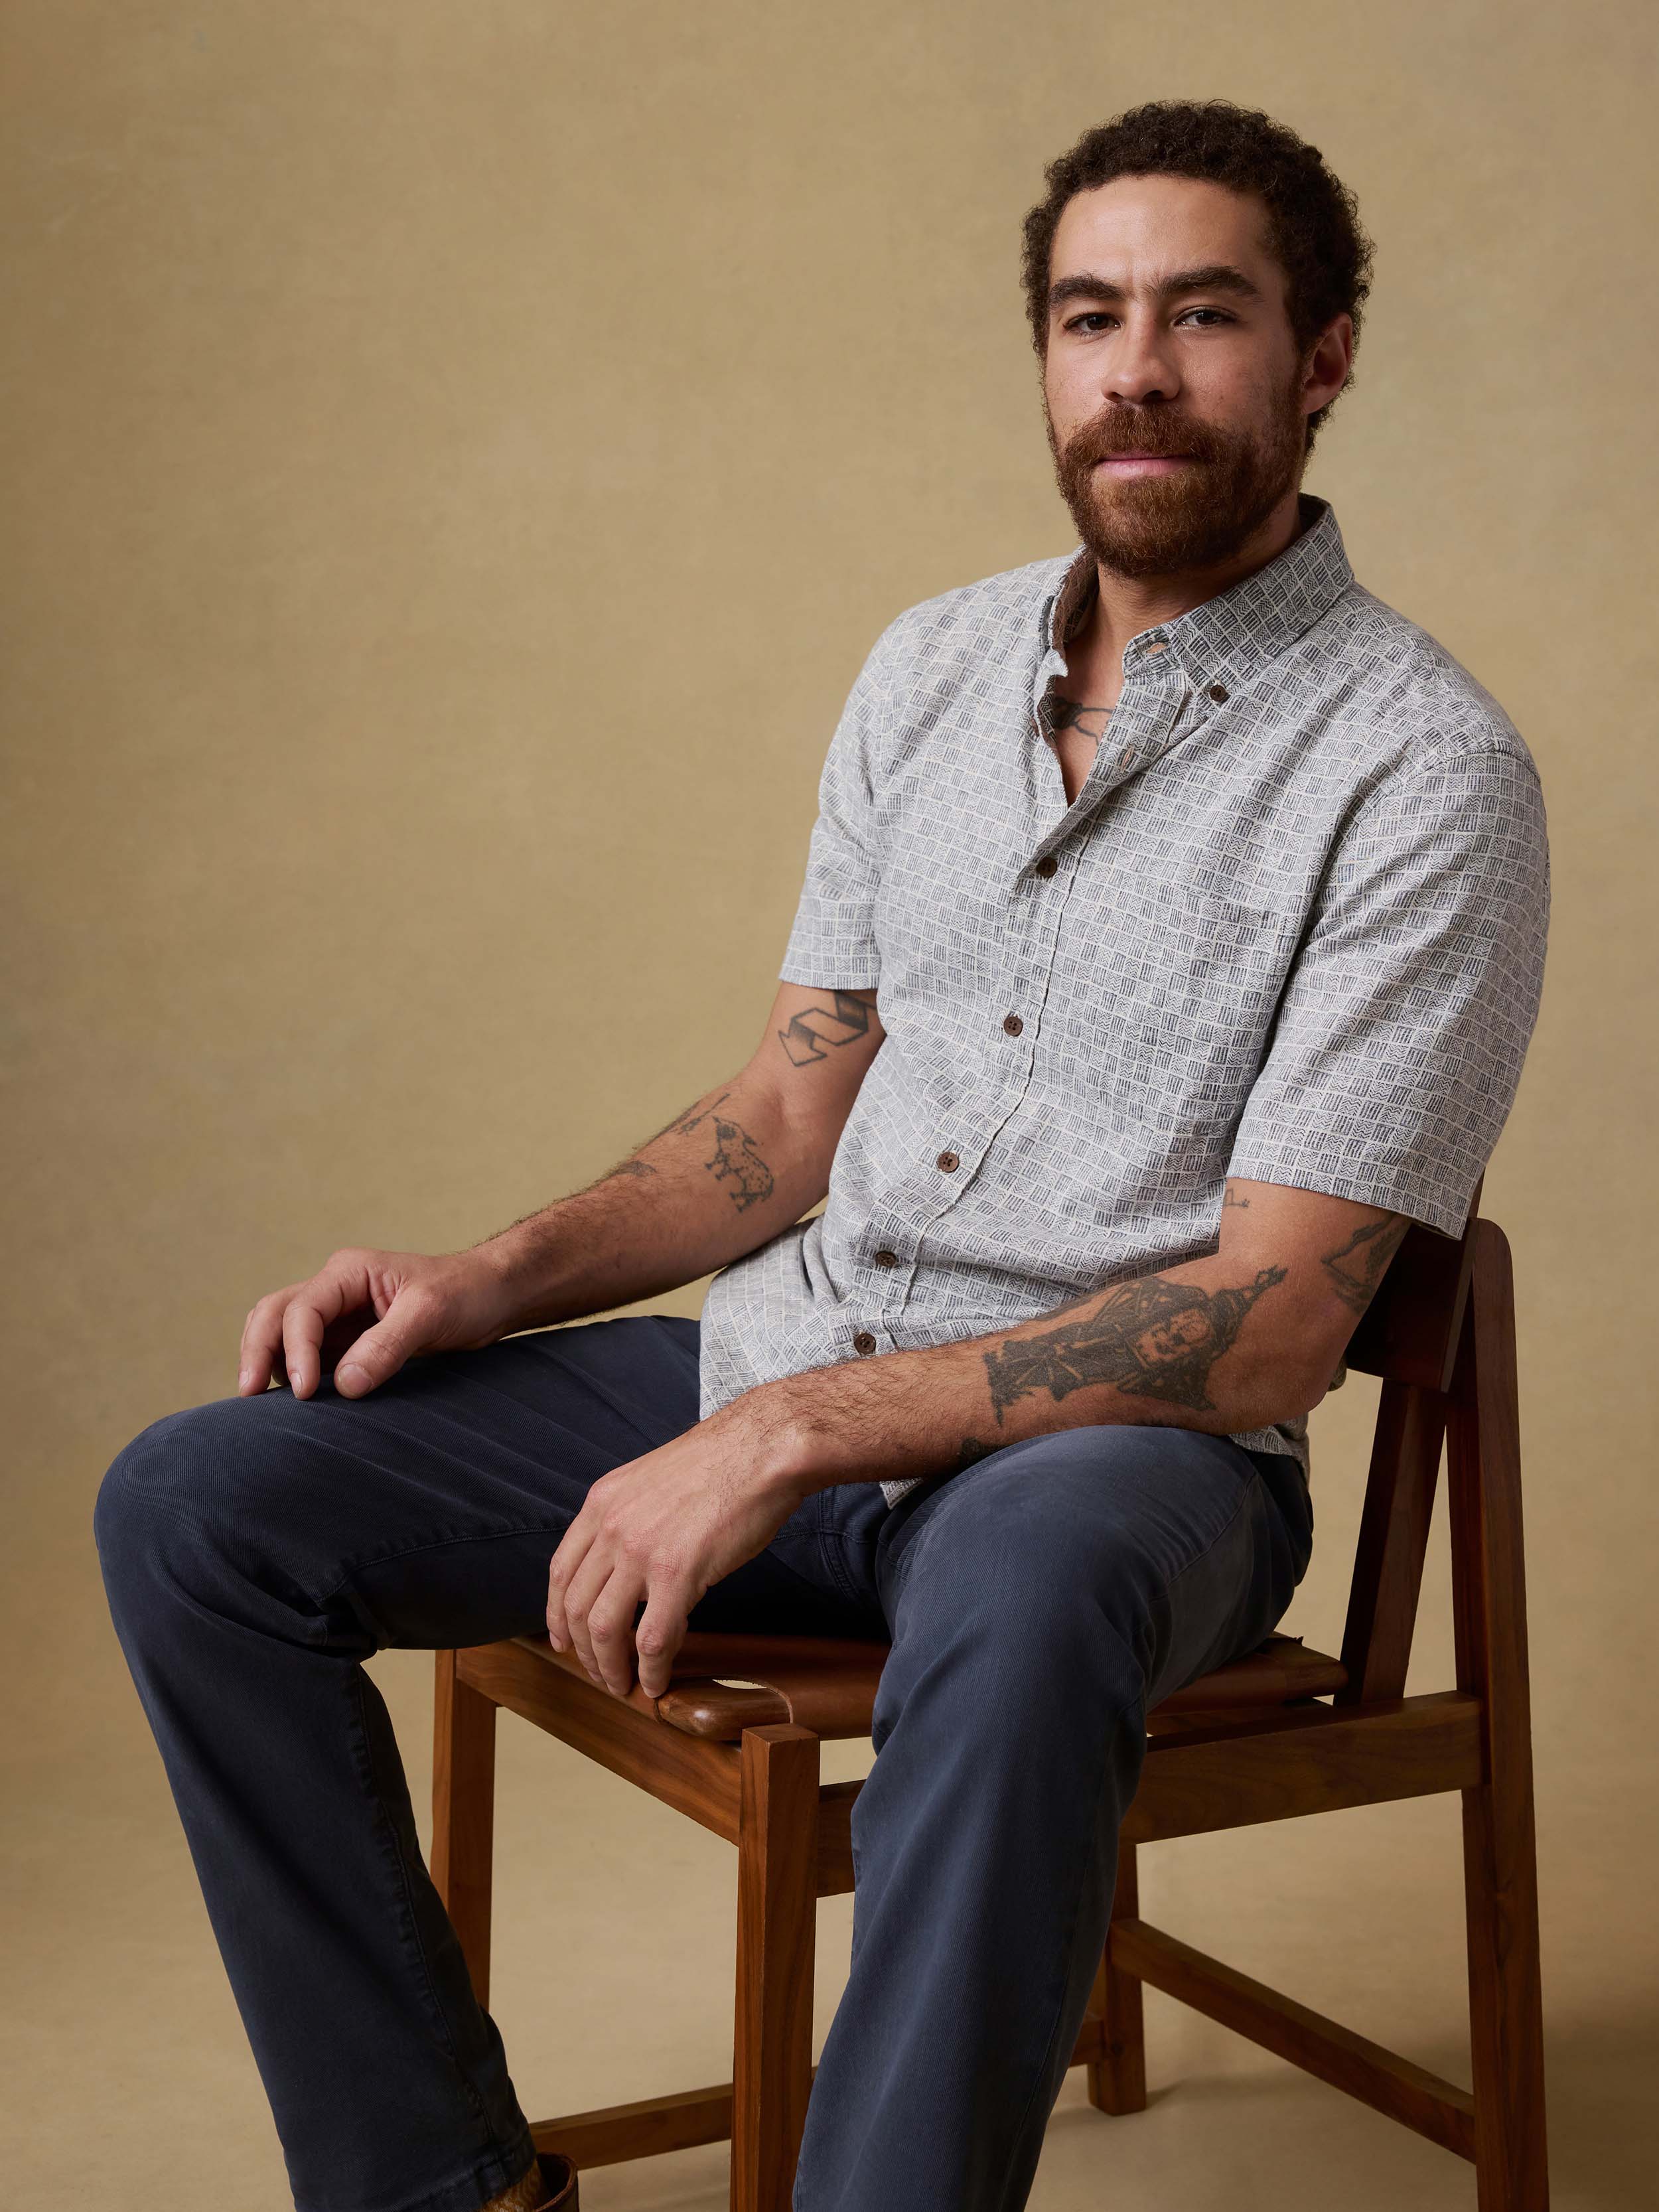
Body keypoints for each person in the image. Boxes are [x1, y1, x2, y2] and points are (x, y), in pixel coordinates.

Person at [94, 98, 1550, 2212]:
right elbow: (791, 1113)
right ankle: (439, 2187)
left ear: (1319, 358)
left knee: (1035, 1588)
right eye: (1086, 316)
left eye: (1203, 315)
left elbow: (1260, 1329)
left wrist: (794, 1437)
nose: (1132, 367)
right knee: (206, 1501)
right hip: (775, 1378)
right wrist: (481, 1280)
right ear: (1044, 354)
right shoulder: (929, 668)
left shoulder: (1424, 774)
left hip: (1117, 1463)